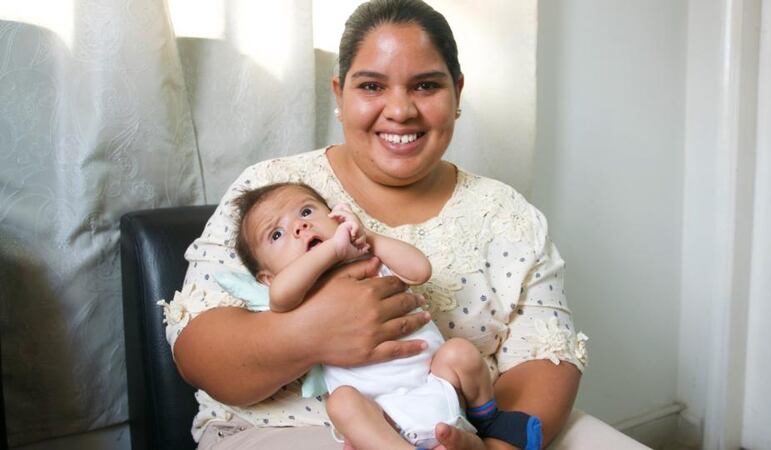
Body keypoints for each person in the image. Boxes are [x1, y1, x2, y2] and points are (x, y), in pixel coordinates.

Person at [161, 0, 588, 448]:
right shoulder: (272, 192)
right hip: (287, 429)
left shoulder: (507, 214)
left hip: (454, 421)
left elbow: (547, 355)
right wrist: (313, 333)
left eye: (425, 85)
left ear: (457, 93)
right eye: (371, 86)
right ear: (339, 94)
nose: (400, 110)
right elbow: (200, 350)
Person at [231, 181, 540, 449]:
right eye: (276, 234)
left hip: (437, 384)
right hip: (379, 414)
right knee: (342, 404)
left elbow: (420, 270)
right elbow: (280, 298)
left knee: (460, 352)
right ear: (267, 277)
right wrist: (332, 251)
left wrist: (369, 237)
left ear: (336, 216)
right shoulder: (299, 291)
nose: (300, 226)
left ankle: (488, 418)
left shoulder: (371, 255)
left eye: (307, 211)